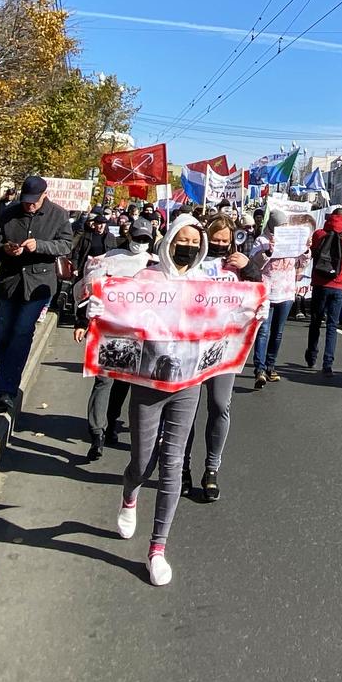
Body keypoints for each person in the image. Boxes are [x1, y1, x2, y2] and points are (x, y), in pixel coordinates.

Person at [115, 213, 214, 586]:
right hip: (148, 381)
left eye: (194, 240)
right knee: (143, 461)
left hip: (188, 383)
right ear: (169, 240)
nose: (188, 246)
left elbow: (224, 320)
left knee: (173, 464)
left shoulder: (206, 283)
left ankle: (158, 548)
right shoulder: (146, 277)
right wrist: (96, 310)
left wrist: (253, 311)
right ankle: (129, 496)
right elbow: (120, 314)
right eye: (181, 239)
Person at [0, 176, 76, 411]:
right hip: (10, 282)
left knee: (21, 333)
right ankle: (4, 377)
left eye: (34, 201)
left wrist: (41, 245)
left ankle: (6, 389)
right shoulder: (9, 212)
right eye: (26, 201)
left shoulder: (58, 215)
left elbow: (66, 245)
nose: (30, 205)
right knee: (3, 335)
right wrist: (4, 249)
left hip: (38, 285)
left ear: (44, 195)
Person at [187, 215, 260, 503]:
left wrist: (250, 268)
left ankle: (211, 469)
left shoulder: (239, 264)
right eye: (215, 239)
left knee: (219, 405)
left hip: (225, 346)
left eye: (224, 240)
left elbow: (258, 295)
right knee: (186, 411)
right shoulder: (192, 261)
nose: (220, 244)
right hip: (191, 346)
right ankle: (182, 467)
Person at [73, 217, 158, 458]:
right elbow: (88, 290)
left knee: (122, 382)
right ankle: (96, 432)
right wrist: (82, 321)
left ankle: (111, 421)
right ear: (129, 235)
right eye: (137, 237)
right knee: (104, 381)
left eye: (145, 239)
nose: (140, 242)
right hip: (107, 331)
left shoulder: (154, 266)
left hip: (136, 334)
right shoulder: (108, 259)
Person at [247, 212, 304, 388]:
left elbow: (302, 262)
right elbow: (254, 263)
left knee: (278, 332)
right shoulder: (262, 241)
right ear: (271, 226)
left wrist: (307, 249)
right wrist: (268, 251)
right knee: (263, 331)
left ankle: (271, 366)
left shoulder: (291, 239)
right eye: (279, 226)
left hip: (286, 291)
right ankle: (259, 369)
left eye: (285, 225)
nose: (283, 228)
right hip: (267, 290)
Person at [302, 209, 342, 376]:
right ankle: (328, 363)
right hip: (337, 286)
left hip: (320, 283)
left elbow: (311, 252)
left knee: (316, 321)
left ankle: (311, 355)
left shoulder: (319, 235)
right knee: (332, 326)